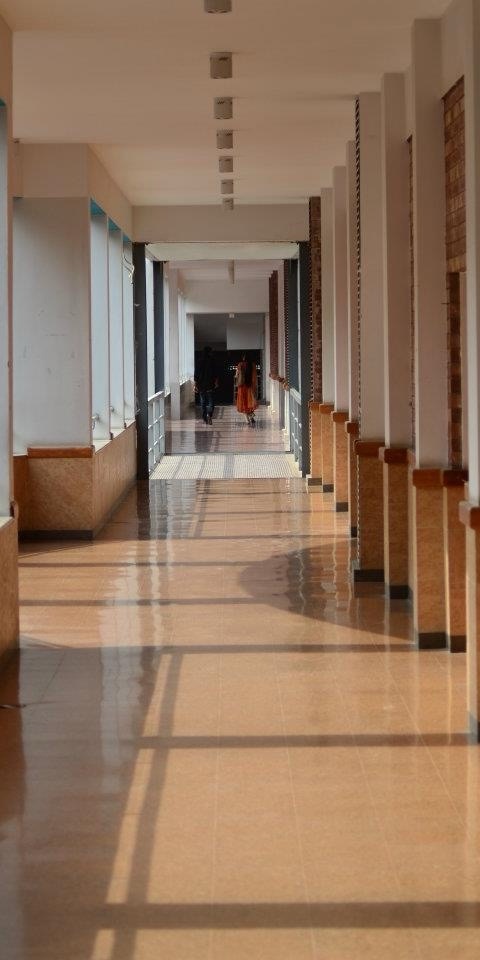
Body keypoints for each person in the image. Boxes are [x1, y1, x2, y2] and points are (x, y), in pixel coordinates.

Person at [194, 346, 218, 424]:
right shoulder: (212, 361)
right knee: (211, 401)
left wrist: (195, 385)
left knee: (203, 401)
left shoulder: (199, 361)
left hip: (201, 385)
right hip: (210, 384)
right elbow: (215, 373)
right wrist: (216, 382)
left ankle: (204, 417)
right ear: (210, 352)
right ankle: (209, 414)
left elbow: (196, 374)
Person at [235, 354, 258, 426]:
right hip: (250, 386)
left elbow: (236, 375)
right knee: (250, 402)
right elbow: (254, 376)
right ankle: (251, 417)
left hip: (242, 387)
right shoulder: (253, 365)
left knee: (243, 402)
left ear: (243, 358)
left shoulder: (240, 364)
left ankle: (247, 420)